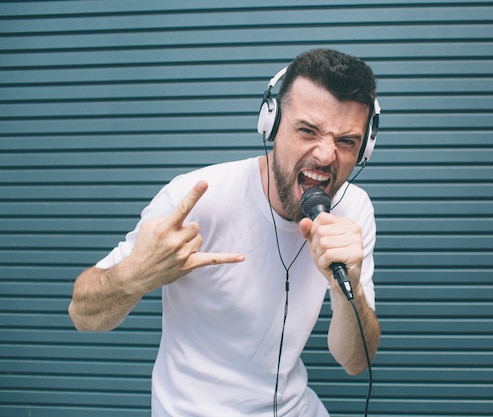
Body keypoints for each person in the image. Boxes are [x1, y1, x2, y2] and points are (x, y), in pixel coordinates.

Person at [68, 48, 381, 417]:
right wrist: (134, 275)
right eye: (307, 130)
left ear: (364, 149)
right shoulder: (197, 198)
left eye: (346, 141)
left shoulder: (354, 208)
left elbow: (355, 361)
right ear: (272, 124)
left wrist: (349, 289)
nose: (327, 156)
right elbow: (82, 314)